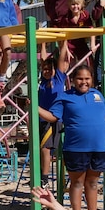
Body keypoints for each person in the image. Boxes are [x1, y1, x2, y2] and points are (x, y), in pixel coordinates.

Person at [38, 64, 105, 210]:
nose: (83, 82)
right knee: (77, 183)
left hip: (98, 148)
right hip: (75, 149)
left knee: (92, 183)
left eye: (87, 78)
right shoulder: (65, 97)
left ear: (92, 79)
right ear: (72, 80)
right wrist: (35, 108)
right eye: (80, 78)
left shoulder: (97, 95)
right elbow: (52, 117)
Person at [37, 42, 70, 190]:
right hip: (41, 119)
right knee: (42, 150)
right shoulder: (43, 82)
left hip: (53, 119)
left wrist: (64, 43)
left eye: (49, 69)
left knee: (46, 149)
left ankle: (44, 179)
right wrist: (42, 44)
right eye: (44, 69)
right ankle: (41, 176)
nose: (46, 71)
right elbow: (43, 60)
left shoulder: (58, 78)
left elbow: (62, 59)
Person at [56, 0, 96, 68]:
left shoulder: (85, 15)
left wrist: (92, 44)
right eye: (73, 4)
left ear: (82, 5)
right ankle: (68, 78)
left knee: (89, 61)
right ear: (69, 6)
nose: (75, 7)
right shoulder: (66, 18)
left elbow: (91, 29)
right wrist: (66, 50)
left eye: (77, 4)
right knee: (67, 62)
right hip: (69, 43)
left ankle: (91, 77)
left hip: (81, 42)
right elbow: (62, 34)